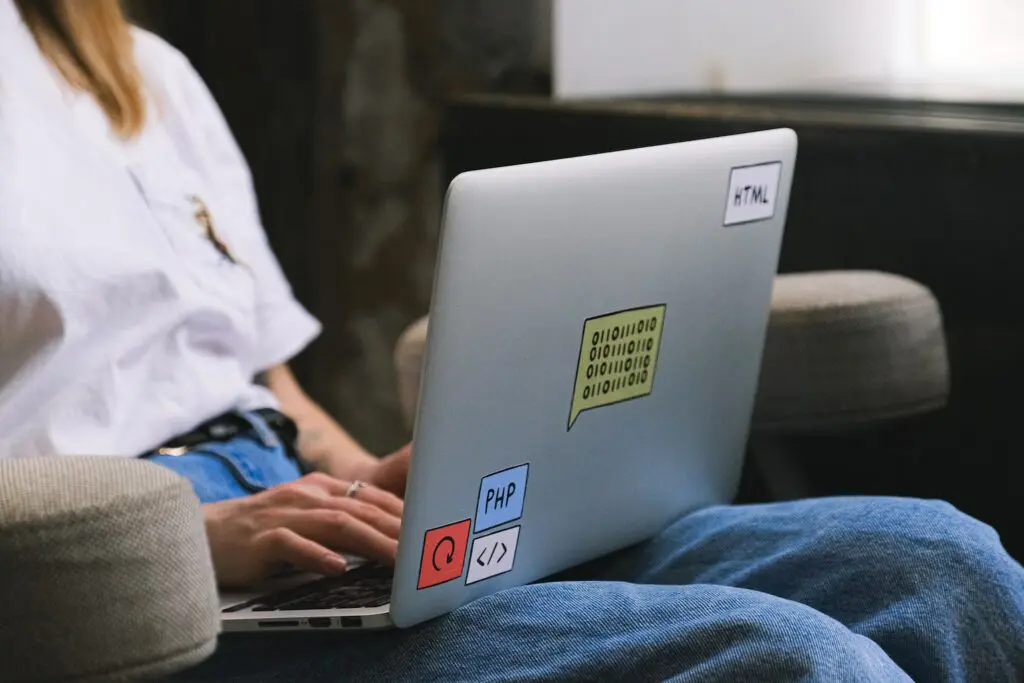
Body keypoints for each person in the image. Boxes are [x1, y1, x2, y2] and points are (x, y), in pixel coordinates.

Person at [1, 2, 1021, 681]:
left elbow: (266, 377)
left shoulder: (140, 72)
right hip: (121, 572)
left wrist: (380, 481)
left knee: (940, 557)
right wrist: (194, 529)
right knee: (781, 654)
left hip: (304, 519)